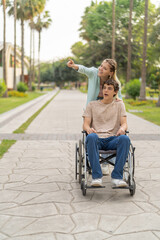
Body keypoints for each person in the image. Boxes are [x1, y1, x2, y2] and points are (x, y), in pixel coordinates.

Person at [67, 58, 122, 175]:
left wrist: (118, 100)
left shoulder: (116, 82)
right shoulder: (94, 73)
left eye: (105, 68)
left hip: (108, 111)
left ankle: (107, 163)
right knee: (91, 133)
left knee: (111, 132)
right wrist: (74, 66)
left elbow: (119, 98)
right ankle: (92, 161)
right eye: (101, 65)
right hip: (92, 110)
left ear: (111, 73)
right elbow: (84, 69)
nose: (100, 68)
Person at [83, 78, 130, 187]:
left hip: (113, 139)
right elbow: (85, 124)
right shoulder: (92, 105)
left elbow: (124, 123)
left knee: (125, 139)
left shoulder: (120, 105)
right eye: (104, 88)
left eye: (109, 88)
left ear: (115, 92)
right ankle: (96, 177)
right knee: (90, 137)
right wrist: (88, 129)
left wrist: (122, 129)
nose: (106, 90)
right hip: (97, 139)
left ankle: (117, 177)